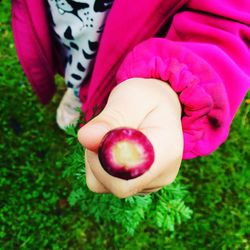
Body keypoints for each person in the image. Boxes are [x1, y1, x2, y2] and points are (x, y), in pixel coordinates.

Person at [12, 0, 250, 198]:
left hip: (134, 55)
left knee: (100, 85)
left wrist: (168, 87)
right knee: (75, 69)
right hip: (67, 29)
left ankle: (89, 97)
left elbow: (230, 22)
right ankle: (77, 92)